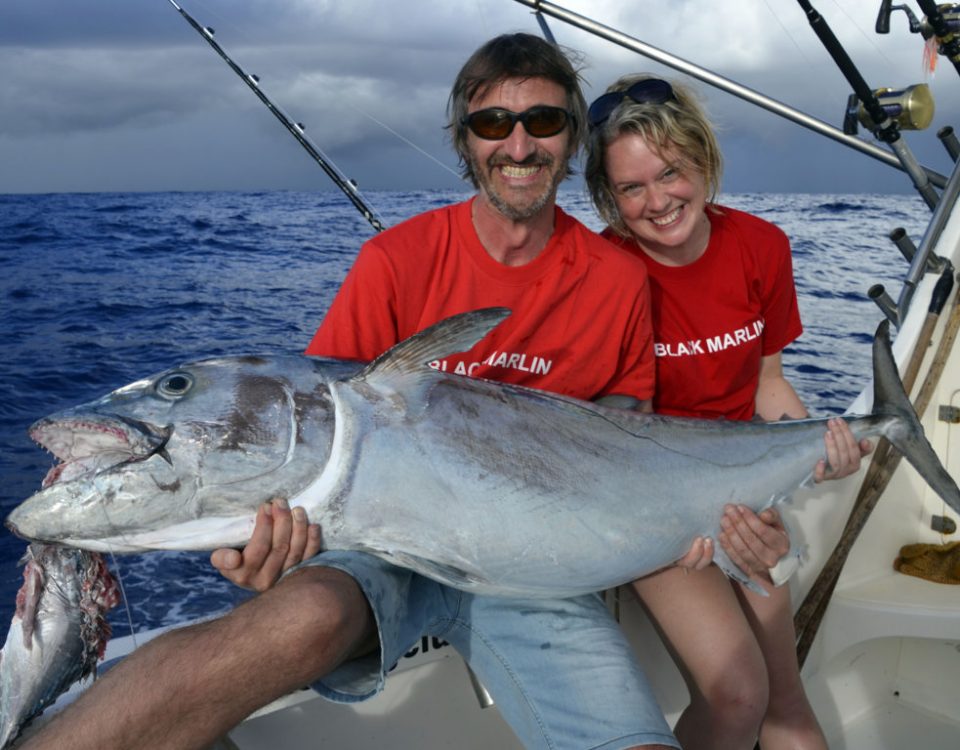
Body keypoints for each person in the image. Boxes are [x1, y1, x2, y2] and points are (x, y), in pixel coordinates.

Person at [22, 36, 710, 750]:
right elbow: (318, 425)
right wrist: (270, 536)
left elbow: (627, 433)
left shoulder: (617, 279)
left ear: (571, 140)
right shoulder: (393, 261)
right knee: (301, 619)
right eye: (491, 124)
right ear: (465, 140)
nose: (518, 143)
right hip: (375, 546)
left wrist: (674, 520)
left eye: (543, 121)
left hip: (529, 571)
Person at [584, 74, 872, 750]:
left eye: (671, 173)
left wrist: (817, 453)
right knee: (739, 696)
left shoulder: (761, 247)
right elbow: (611, 427)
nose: (657, 202)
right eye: (631, 188)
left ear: (703, 161)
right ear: (609, 196)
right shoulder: (603, 269)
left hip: (745, 492)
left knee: (785, 696)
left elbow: (768, 384)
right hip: (651, 506)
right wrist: (691, 518)